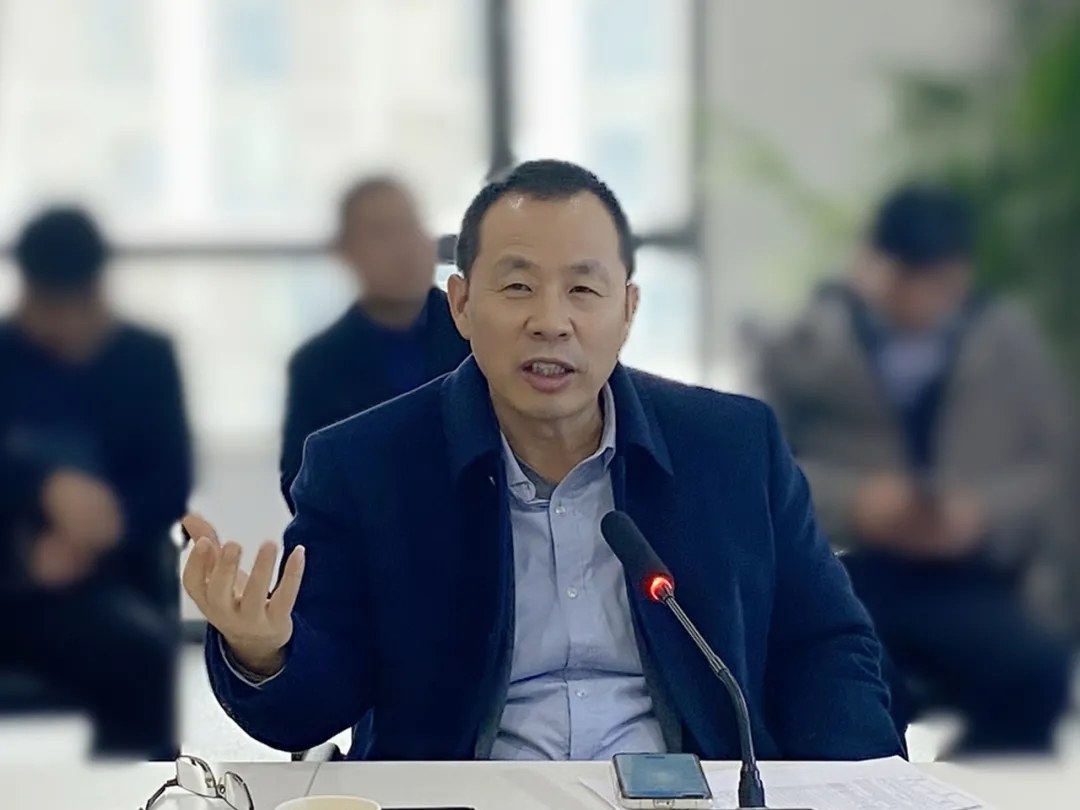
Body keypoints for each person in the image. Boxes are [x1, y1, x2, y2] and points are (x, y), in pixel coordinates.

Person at [183, 160, 903, 762]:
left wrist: (857, 789)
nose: (551, 322)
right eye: (518, 286)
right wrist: (263, 652)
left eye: (583, 289)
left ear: (628, 309)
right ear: (461, 305)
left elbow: (827, 645)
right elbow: (314, 703)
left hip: (685, 792)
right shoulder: (364, 466)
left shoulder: (734, 447)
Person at [759, 186, 1074, 755]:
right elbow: (758, 466)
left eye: (936, 283)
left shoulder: (1007, 344)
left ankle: (974, 784)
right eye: (902, 279)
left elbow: (1053, 469)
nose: (916, 300)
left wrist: (978, 513)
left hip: (969, 574)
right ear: (867, 264)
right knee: (851, 681)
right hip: (844, 571)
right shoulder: (802, 345)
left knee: (1034, 669)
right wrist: (857, 500)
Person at [0, 207, 193, 758]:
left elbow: (170, 481)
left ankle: (136, 789)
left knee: (141, 657)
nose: (60, 326)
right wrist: (40, 496)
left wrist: (101, 532)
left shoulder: (145, 359)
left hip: (99, 582)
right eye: (46, 308)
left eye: (73, 308)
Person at [280, 177, 470, 507]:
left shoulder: (477, 335)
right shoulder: (317, 365)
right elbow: (300, 482)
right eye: (382, 233)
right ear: (345, 252)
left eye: (410, 226)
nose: (404, 248)